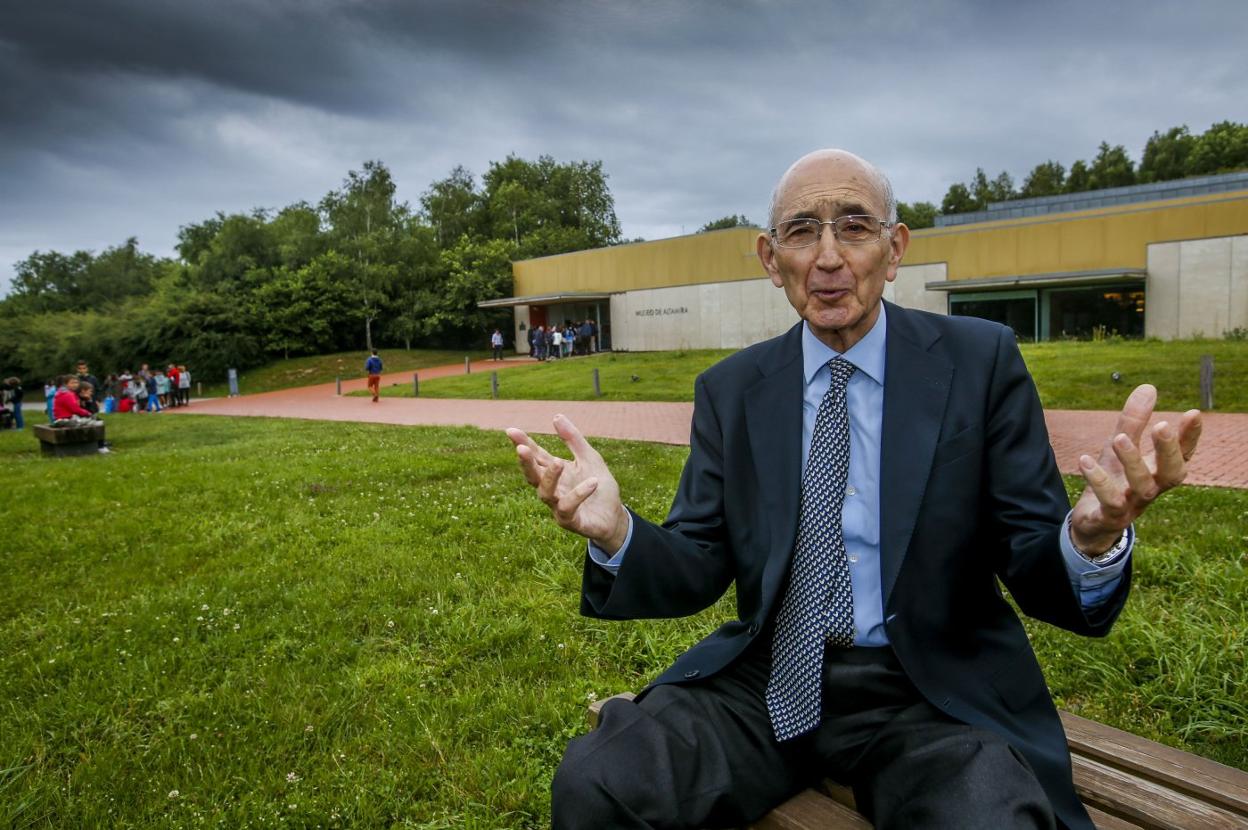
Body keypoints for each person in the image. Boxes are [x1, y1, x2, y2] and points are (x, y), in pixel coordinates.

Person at [506, 149, 1203, 830]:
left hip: (928, 690)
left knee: (986, 813)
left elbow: (1031, 559)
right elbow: (699, 559)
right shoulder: (732, 390)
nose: (829, 256)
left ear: (894, 249)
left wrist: (1088, 536)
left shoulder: (977, 362)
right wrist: (618, 532)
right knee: (602, 780)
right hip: (769, 673)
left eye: (855, 226)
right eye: (802, 230)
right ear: (770, 259)